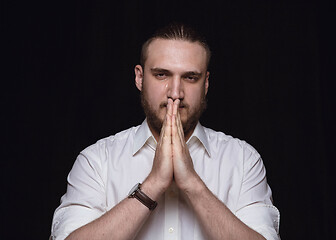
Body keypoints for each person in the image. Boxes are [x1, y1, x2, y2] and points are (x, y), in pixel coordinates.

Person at [51, 23, 280, 240]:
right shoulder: (96, 161)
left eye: (190, 77)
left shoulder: (243, 160)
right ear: (140, 78)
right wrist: (153, 184)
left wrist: (191, 183)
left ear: (206, 83)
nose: (175, 92)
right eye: (162, 74)